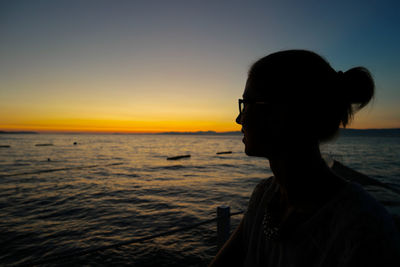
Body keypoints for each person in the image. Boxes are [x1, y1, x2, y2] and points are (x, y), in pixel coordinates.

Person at [209, 50, 400, 266]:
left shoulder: (364, 228)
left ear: (283, 113)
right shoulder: (263, 197)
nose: (238, 119)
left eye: (247, 104)